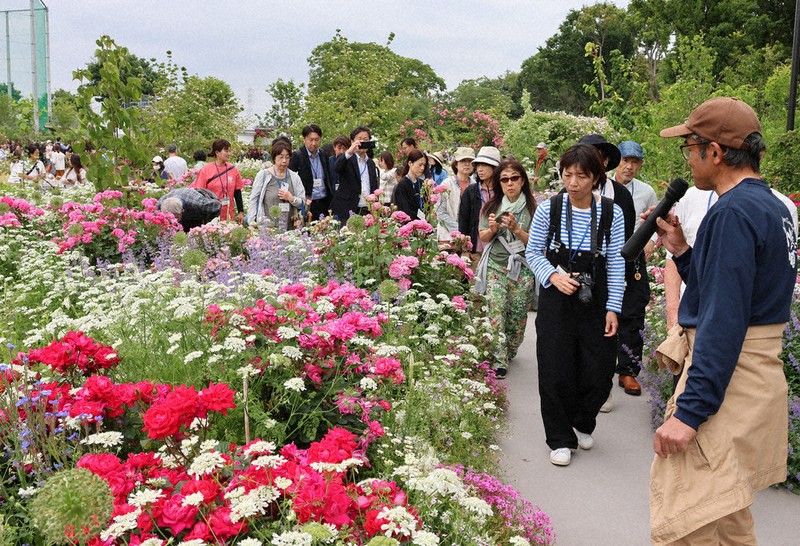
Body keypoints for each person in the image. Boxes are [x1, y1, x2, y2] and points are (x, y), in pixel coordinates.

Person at [648, 97, 796, 545]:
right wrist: (683, 252)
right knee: (728, 515)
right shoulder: (774, 206)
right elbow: (736, 293)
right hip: (758, 378)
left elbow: (723, 320)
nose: (687, 159)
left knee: (685, 520)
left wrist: (689, 413)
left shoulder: (730, 212)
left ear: (714, 151)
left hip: (729, 382)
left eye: (689, 147)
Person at [526, 144, 625, 467]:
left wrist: (613, 307)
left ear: (596, 177)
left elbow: (616, 262)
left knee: (599, 370)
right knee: (555, 368)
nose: (573, 183)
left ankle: (582, 422)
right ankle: (559, 438)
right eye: (567, 175)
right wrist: (554, 277)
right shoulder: (549, 209)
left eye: (581, 176)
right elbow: (533, 252)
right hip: (557, 298)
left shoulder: (611, 212)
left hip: (596, 299)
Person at [578, 133, 636, 404]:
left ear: (605, 161)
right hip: (577, 274)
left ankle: (602, 389)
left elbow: (626, 242)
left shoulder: (620, 194)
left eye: (598, 157)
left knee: (605, 331)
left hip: (607, 272)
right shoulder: (567, 192)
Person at [475, 159, 536, 379]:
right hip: (496, 265)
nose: (509, 183)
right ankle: (499, 359)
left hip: (522, 268)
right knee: (495, 312)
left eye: (514, 178)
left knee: (517, 317)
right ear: (499, 183)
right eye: (504, 179)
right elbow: (483, 236)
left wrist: (517, 230)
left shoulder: (533, 208)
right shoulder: (492, 207)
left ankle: (510, 349)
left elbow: (537, 243)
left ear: (523, 181)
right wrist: (492, 229)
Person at [611, 140, 659, 396]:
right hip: (607, 256)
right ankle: (600, 364)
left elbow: (655, 221)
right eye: (625, 160)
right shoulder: (603, 187)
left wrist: (651, 241)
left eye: (635, 162)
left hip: (635, 259)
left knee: (634, 309)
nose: (629, 166)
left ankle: (628, 370)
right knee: (602, 309)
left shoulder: (646, 192)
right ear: (616, 161)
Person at [248, 140, 306, 231]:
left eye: (287, 157)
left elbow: (302, 203)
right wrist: (252, 223)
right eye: (281, 157)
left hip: (290, 230)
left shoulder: (294, 177)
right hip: (268, 229)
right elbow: (254, 199)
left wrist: (291, 198)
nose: (284, 161)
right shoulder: (263, 175)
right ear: (274, 158)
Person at [458, 146, 501, 261]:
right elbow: (463, 221)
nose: (480, 169)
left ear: (495, 168)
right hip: (475, 249)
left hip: (498, 250)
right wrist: (465, 249)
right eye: (478, 165)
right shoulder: (471, 191)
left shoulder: (502, 191)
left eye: (484, 165)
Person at [191, 139, 245, 223]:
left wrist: (241, 212)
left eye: (229, 151)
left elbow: (237, 192)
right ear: (217, 152)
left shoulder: (233, 170)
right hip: (211, 215)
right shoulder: (206, 170)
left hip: (229, 215)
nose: (229, 154)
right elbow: (199, 194)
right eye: (226, 151)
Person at [331, 126, 378, 221]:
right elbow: (337, 167)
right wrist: (349, 151)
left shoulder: (370, 163)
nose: (362, 142)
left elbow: (374, 185)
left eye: (365, 139)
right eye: (359, 139)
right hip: (348, 208)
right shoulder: (347, 158)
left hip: (367, 208)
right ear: (352, 141)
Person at [289, 124, 334, 222]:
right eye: (311, 140)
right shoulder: (298, 156)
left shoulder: (323, 154)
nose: (314, 143)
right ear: (304, 139)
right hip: (308, 203)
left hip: (324, 201)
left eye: (317, 140)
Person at [436, 146, 475, 242]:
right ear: (456, 164)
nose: (467, 164)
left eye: (470, 161)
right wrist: (458, 230)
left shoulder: (475, 185)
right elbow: (440, 211)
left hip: (469, 238)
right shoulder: (446, 184)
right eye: (463, 161)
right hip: (447, 237)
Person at [392, 149, 428, 221]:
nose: (422, 168)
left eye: (424, 165)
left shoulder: (422, 183)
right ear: (410, 163)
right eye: (420, 165)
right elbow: (404, 210)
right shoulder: (402, 185)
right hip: (409, 223)